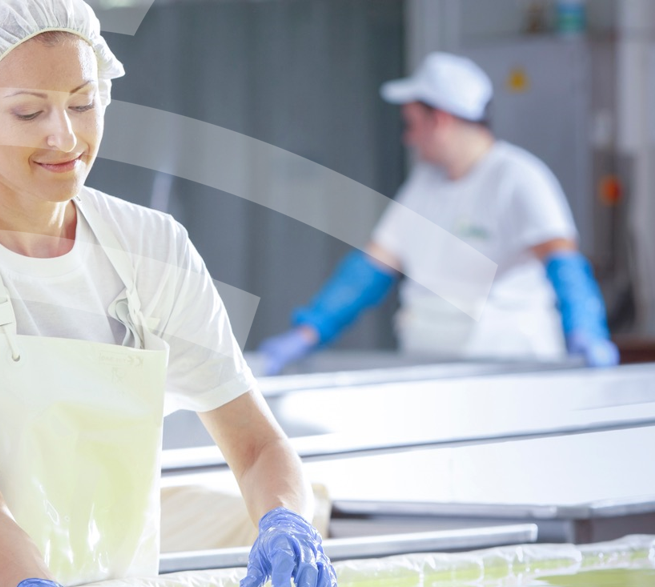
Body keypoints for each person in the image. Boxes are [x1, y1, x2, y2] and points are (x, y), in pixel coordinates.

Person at [0, 0, 335, 587]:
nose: (65, 136)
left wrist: (285, 518)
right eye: (29, 112)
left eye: (83, 103)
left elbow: (255, 446)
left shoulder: (151, 248)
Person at [258, 52, 617, 375]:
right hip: (433, 371)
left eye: (412, 124)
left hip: (510, 373)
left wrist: (587, 333)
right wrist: (308, 332)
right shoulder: (422, 186)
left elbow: (564, 265)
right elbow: (370, 271)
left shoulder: (517, 178)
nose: (408, 138)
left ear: (441, 120)